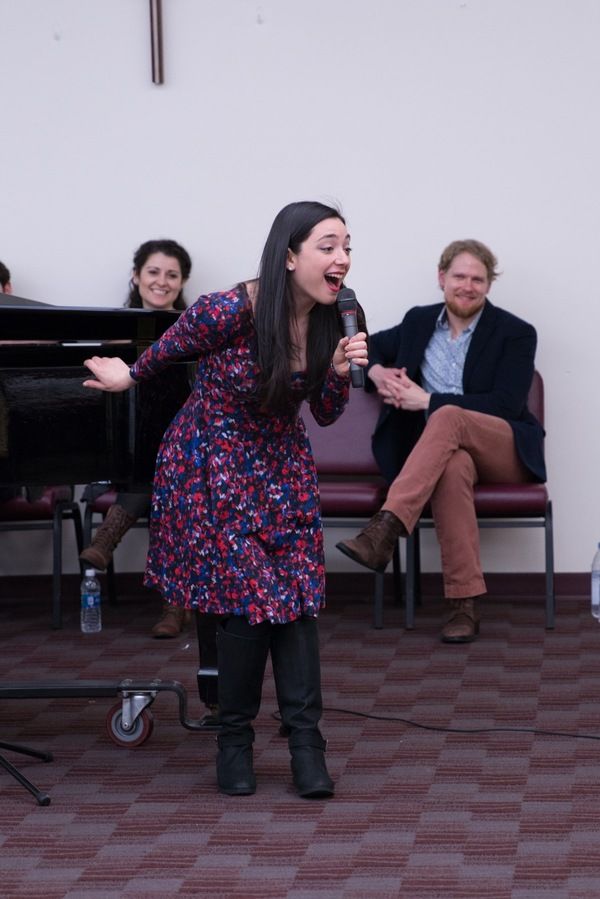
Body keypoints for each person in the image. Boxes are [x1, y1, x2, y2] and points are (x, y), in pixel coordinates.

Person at [81, 200, 368, 799]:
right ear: (289, 256)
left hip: (282, 463)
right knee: (250, 599)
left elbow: (324, 412)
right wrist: (126, 377)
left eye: (347, 245)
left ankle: (305, 746)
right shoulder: (229, 309)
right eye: (327, 245)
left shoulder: (341, 315)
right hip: (210, 460)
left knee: (295, 596)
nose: (342, 257)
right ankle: (233, 741)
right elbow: (167, 350)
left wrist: (339, 371)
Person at [337, 239, 546, 643]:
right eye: (460, 276)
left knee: (447, 414)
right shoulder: (418, 322)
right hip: (446, 454)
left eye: (478, 279)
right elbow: (371, 346)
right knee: (451, 468)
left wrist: (427, 400)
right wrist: (377, 372)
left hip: (504, 447)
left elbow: (505, 404)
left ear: (488, 284)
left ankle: (385, 528)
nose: (467, 286)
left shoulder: (516, 333)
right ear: (441, 278)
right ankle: (463, 607)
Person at [79, 239, 194, 638]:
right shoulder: (115, 330)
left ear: (182, 283)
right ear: (136, 276)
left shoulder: (194, 328)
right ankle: (175, 607)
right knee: (160, 480)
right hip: (129, 455)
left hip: (186, 453)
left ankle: (109, 540)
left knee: (171, 482)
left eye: (172, 275)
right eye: (153, 272)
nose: (162, 281)